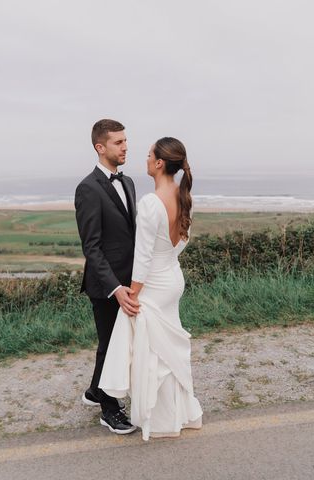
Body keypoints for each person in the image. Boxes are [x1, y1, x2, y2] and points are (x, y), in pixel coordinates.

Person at [99, 137, 203, 440]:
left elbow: (142, 257)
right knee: (167, 348)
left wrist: (131, 292)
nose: (144, 159)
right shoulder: (185, 196)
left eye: (148, 155)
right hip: (173, 277)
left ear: (159, 163)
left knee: (154, 352)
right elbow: (182, 241)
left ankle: (160, 419)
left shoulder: (150, 202)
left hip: (154, 283)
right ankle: (179, 413)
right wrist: (168, 261)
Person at [74, 119, 139, 435]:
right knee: (110, 345)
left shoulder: (128, 183)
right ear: (100, 147)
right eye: (118, 142)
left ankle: (94, 391)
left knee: (120, 342)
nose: (125, 146)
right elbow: (93, 248)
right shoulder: (87, 189)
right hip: (106, 285)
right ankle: (109, 411)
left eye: (126, 140)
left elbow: (131, 235)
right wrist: (115, 287)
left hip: (131, 280)